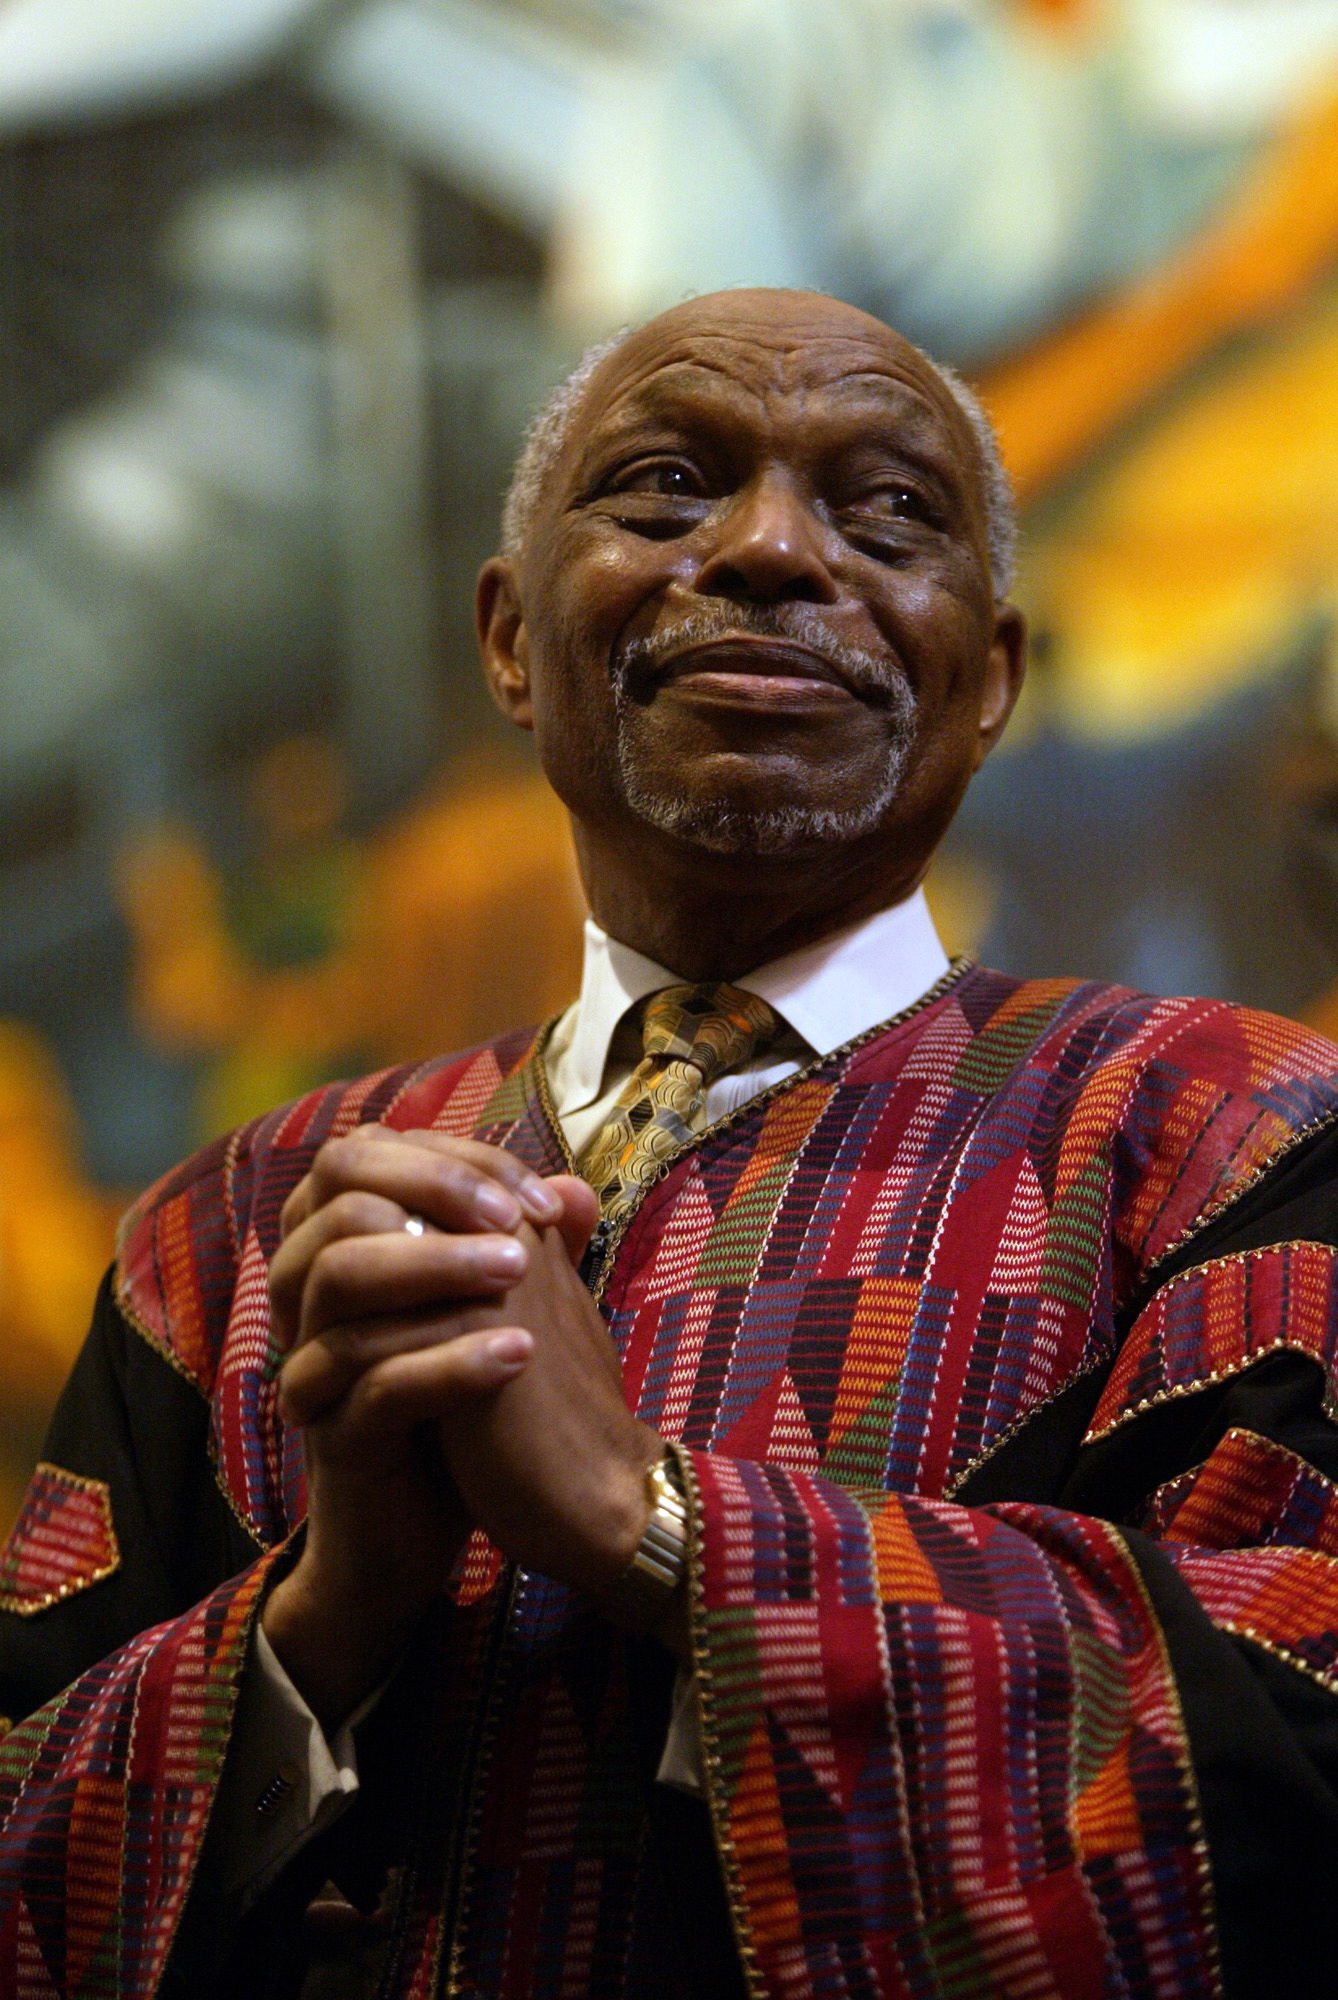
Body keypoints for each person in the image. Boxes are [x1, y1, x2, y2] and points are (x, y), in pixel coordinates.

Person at [2, 287, 1338, 2000]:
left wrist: (657, 1530)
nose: (774, 551)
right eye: (662, 488)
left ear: (989, 675)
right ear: (504, 638)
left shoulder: (1230, 1137)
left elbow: (1294, 1754)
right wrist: (327, 1619)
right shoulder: (222, 1236)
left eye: (890, 512)